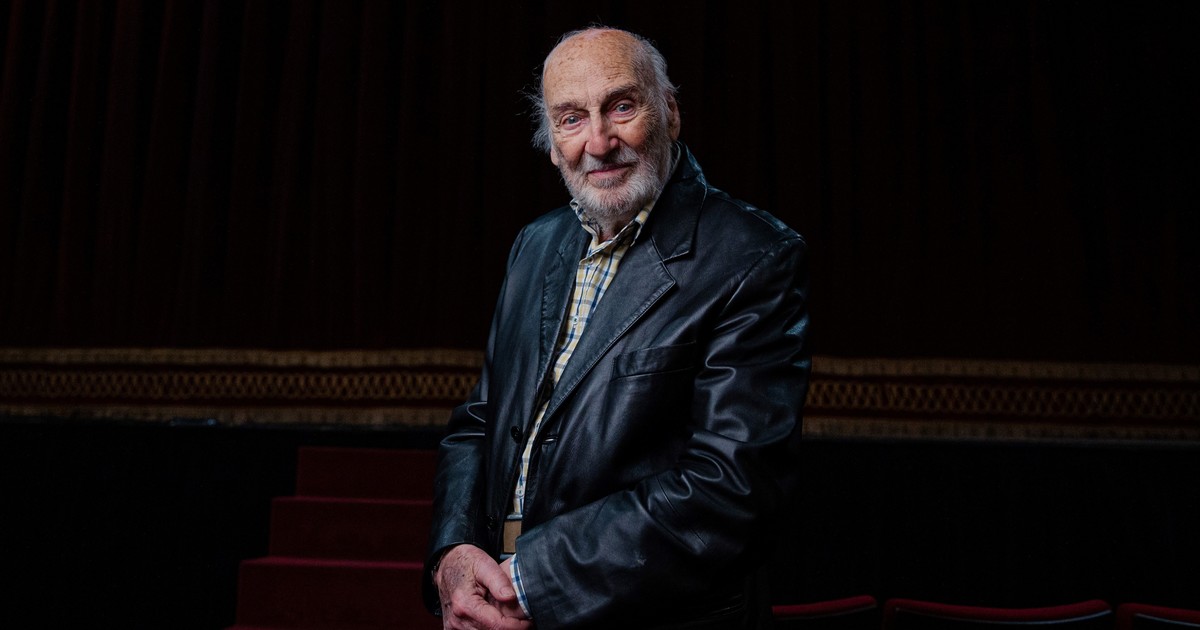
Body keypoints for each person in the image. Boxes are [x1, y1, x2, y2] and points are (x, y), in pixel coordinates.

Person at [423, 26, 810, 630]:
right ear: (553, 145)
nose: (599, 142)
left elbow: (731, 487)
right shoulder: (534, 245)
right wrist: (452, 554)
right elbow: (480, 422)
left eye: (622, 107)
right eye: (571, 119)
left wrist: (530, 582)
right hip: (501, 602)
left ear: (670, 113)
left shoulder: (754, 256)